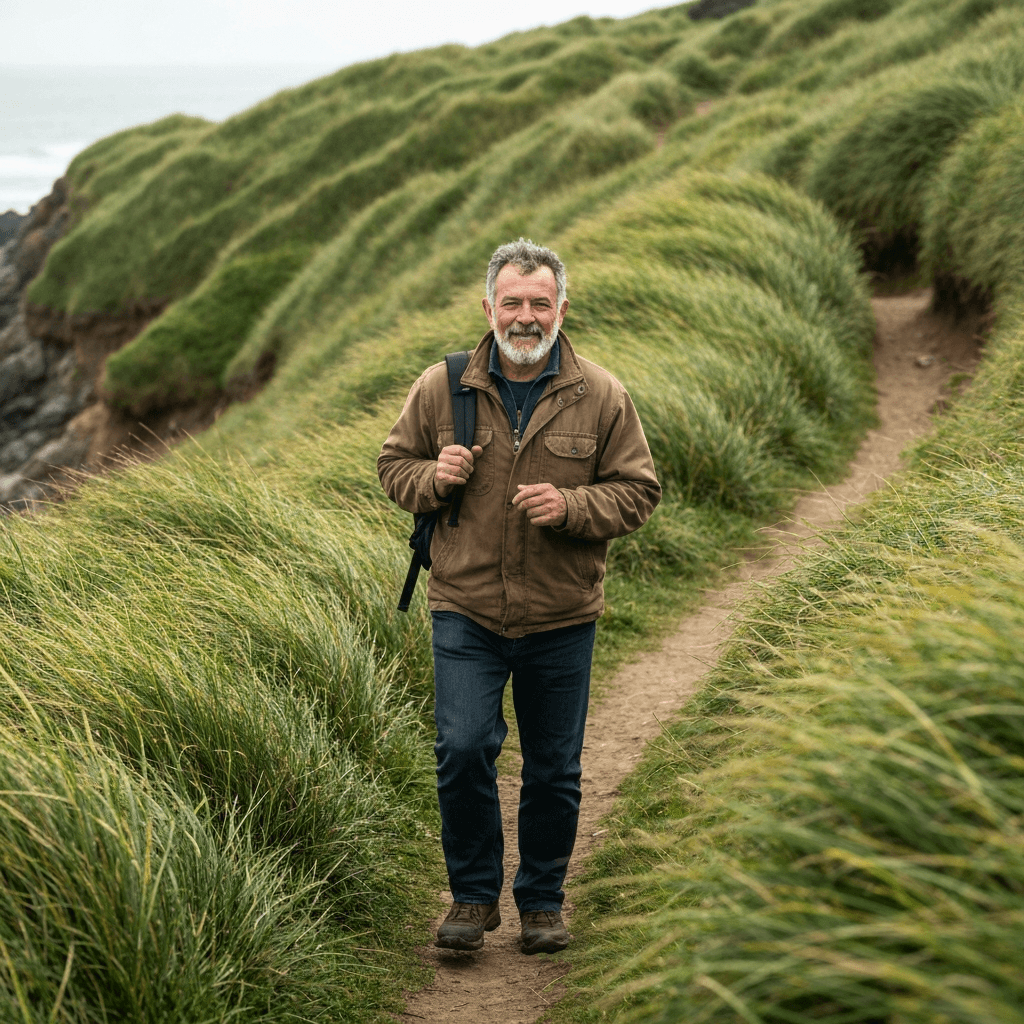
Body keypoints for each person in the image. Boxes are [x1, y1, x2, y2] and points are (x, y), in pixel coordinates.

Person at [377, 238, 661, 955]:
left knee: (553, 768)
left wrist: (571, 507)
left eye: (540, 303)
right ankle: (473, 898)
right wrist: (432, 478)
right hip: (464, 606)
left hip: (562, 614)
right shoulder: (441, 386)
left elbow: (637, 493)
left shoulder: (602, 394)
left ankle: (540, 903)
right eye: (513, 302)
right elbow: (393, 466)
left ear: (562, 308)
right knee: (463, 748)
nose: (526, 317)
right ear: (489, 308)